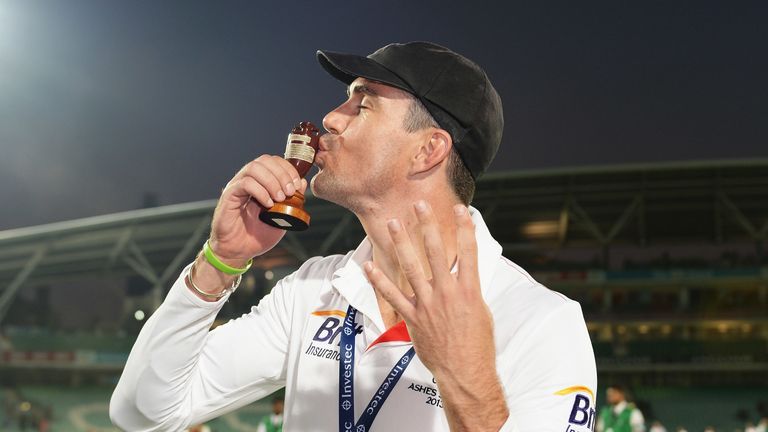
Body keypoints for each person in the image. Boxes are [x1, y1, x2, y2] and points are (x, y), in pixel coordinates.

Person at [110, 41, 597, 431]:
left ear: (428, 149)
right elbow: (143, 415)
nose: (331, 119)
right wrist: (220, 262)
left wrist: (463, 375)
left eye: (362, 103)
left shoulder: (539, 321)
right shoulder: (313, 289)